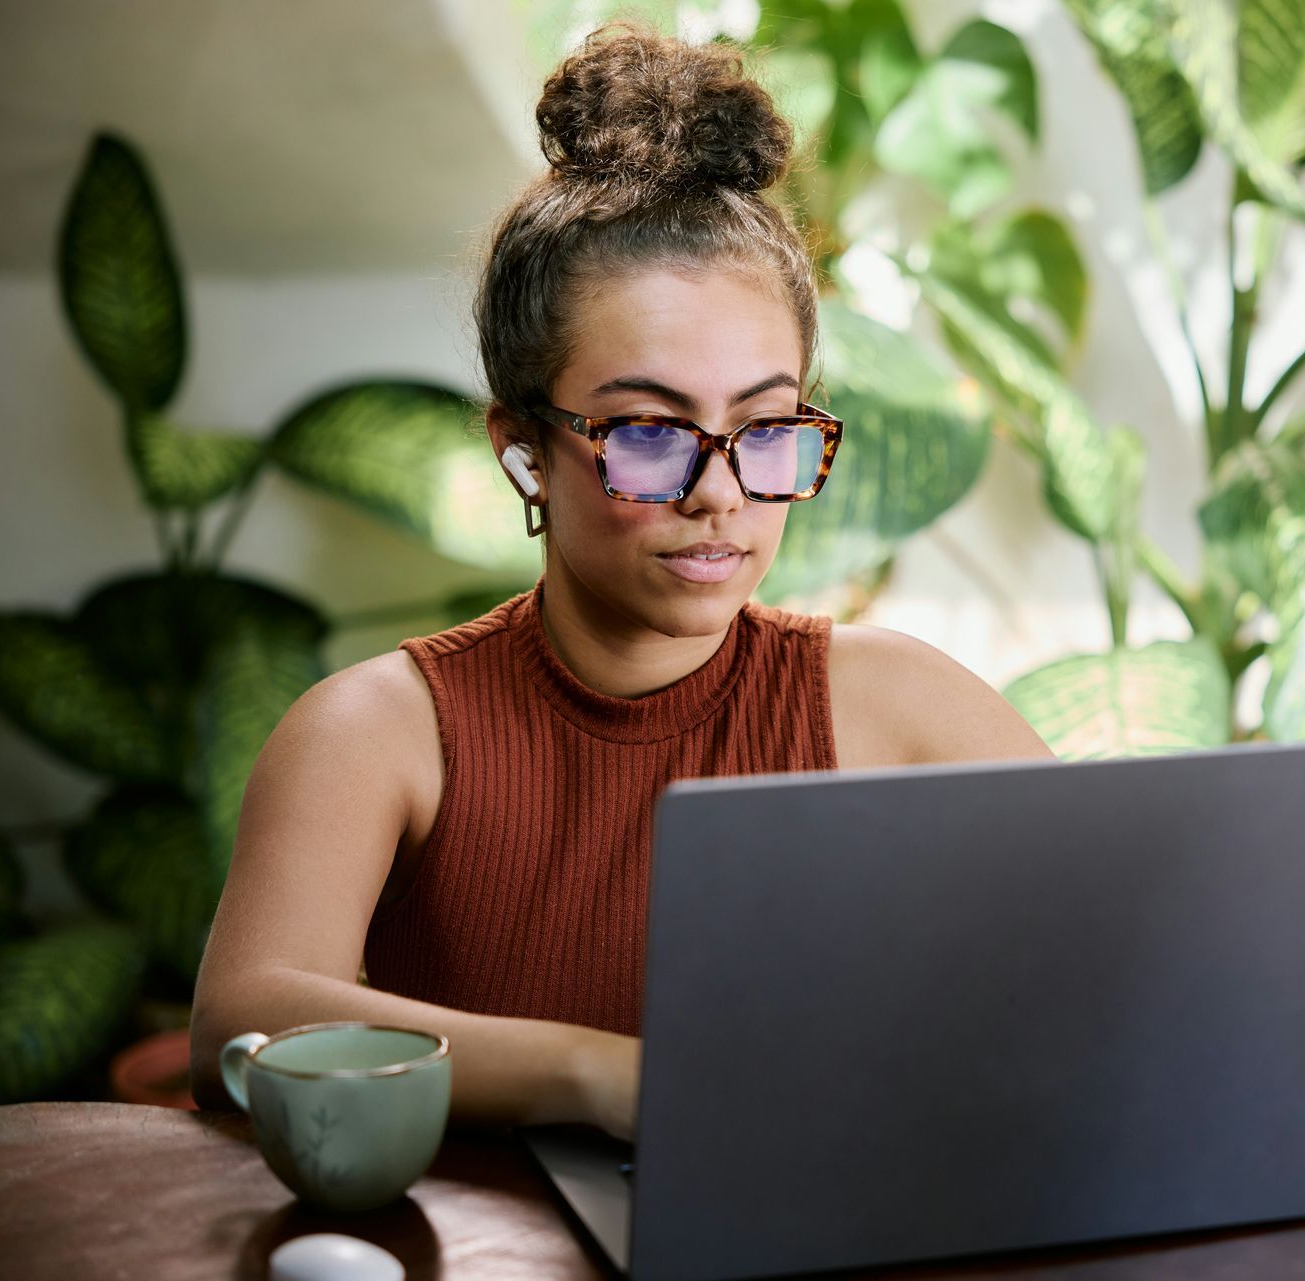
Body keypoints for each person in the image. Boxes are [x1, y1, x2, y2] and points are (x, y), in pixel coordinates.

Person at [188, 22, 1052, 1141]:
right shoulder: (379, 731)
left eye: (766, 428)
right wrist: (600, 1077)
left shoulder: (896, 705)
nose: (722, 495)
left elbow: (1125, 941)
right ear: (525, 449)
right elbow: (238, 1027)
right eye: (650, 433)